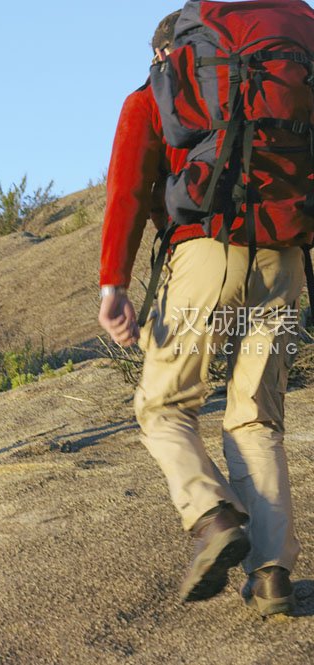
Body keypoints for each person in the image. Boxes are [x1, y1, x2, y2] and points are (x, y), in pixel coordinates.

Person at [99, 9, 306, 616]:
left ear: (172, 55)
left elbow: (127, 190)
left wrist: (113, 283)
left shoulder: (154, 96)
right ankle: (271, 573)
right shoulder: (283, 82)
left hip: (207, 259)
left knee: (164, 405)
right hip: (285, 260)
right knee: (256, 419)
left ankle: (211, 517)